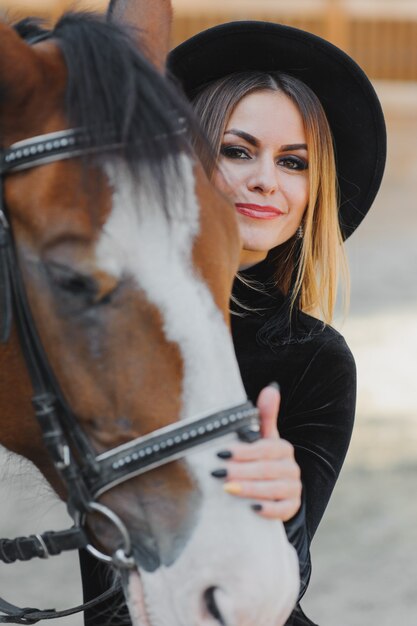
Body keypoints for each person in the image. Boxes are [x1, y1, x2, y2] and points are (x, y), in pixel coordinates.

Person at [80, 20, 386, 626]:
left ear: (311, 198)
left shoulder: (315, 360)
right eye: (237, 150)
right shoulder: (102, 323)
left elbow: (284, 584)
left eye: (293, 162)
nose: (265, 180)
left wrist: (284, 507)